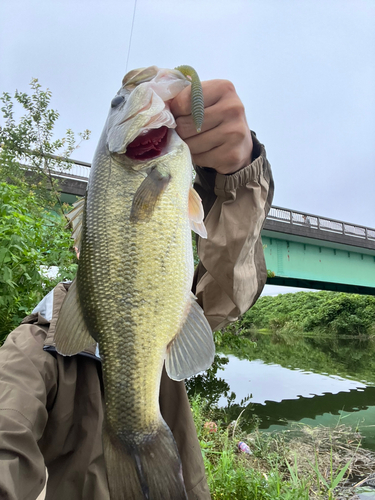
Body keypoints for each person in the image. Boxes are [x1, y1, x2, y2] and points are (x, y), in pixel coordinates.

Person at [0, 79, 274, 500]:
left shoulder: (164, 313)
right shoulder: (32, 350)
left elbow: (227, 289)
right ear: (83, 249)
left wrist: (238, 172)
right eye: (119, 104)